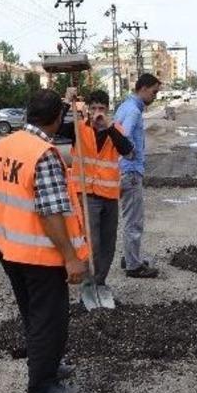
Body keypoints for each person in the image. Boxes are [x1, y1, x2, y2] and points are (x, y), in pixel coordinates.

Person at [0, 88, 90, 393]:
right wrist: (71, 258)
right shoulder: (44, 154)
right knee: (49, 319)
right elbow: (51, 212)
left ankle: (46, 365)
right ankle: (41, 386)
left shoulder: (4, 145)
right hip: (38, 255)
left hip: (10, 249)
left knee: (34, 316)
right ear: (57, 118)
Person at [58, 88, 134, 298]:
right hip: (87, 194)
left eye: (101, 108)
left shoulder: (115, 129)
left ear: (107, 110)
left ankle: (101, 281)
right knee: (93, 243)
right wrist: (66, 101)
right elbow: (54, 127)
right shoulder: (78, 128)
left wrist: (109, 127)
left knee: (109, 242)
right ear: (88, 110)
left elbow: (127, 151)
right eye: (94, 108)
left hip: (109, 195)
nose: (98, 112)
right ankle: (89, 283)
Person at [114, 73, 162, 279]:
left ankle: (129, 256)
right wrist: (130, 152)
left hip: (123, 170)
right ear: (143, 88)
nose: (155, 96)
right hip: (130, 171)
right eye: (154, 92)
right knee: (134, 220)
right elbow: (122, 136)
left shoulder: (124, 106)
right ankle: (133, 266)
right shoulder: (133, 110)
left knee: (128, 218)